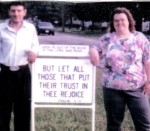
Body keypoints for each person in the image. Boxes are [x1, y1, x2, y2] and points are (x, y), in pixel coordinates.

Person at [89, 7, 150, 131]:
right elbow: (95, 47)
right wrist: (92, 50)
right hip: (112, 89)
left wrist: (149, 81)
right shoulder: (106, 39)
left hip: (137, 88)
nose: (119, 23)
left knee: (144, 124)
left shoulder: (140, 38)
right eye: (116, 20)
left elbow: (148, 60)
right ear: (113, 23)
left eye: (122, 19)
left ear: (129, 21)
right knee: (113, 125)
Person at [0, 2, 39, 131]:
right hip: (5, 73)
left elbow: (35, 45)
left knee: (23, 109)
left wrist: (34, 51)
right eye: (13, 11)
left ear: (24, 12)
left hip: (23, 73)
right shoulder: (1, 28)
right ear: (9, 12)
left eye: (19, 11)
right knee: (3, 109)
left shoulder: (30, 28)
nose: (16, 14)